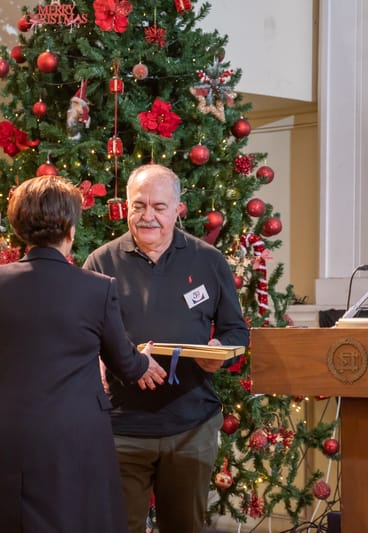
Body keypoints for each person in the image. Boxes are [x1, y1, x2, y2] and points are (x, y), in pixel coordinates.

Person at [0, 175, 167, 533]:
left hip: (0, 433)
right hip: (72, 437)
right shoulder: (97, 289)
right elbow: (125, 364)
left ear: (20, 227)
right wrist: (145, 360)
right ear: (70, 228)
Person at [83, 164, 250, 533]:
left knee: (185, 526)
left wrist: (217, 352)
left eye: (159, 207)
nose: (148, 217)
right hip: (119, 428)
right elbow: (85, 338)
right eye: (139, 205)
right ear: (126, 206)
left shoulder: (207, 260)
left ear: (178, 208)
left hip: (190, 425)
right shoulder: (100, 262)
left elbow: (236, 330)